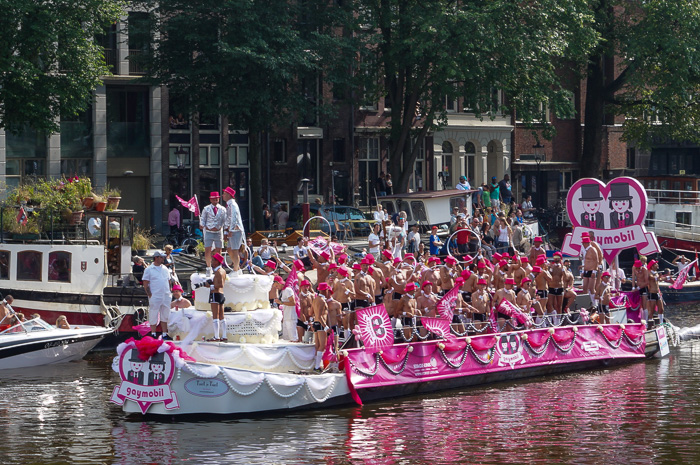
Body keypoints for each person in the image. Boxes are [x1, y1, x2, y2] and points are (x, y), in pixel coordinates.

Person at [142, 250, 173, 340]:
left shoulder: (165, 268)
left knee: (165, 313)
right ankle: (153, 333)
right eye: (161, 257)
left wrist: (169, 291)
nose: (163, 258)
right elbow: (146, 283)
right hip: (155, 294)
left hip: (165, 294)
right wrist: (150, 295)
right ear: (156, 258)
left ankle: (164, 333)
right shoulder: (149, 269)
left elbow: (168, 280)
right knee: (153, 313)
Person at [200, 191, 227, 275]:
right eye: (213, 199)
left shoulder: (222, 209)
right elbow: (203, 218)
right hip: (209, 231)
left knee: (219, 250)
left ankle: (218, 267)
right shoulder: (206, 208)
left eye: (216, 199)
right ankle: (208, 267)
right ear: (210, 200)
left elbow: (225, 220)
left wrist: (224, 229)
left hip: (218, 231)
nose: (215, 201)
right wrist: (203, 225)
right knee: (208, 249)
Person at [223, 186, 245, 273]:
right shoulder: (229, 205)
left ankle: (236, 270)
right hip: (232, 230)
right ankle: (237, 268)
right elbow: (228, 219)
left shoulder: (233, 205)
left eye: (224, 194)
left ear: (229, 195)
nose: (223, 195)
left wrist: (231, 230)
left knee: (234, 250)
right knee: (229, 249)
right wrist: (226, 231)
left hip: (236, 230)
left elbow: (234, 218)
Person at [208, 253, 228, 342]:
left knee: (215, 316)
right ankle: (224, 335)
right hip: (221, 294)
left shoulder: (218, 272)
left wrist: (211, 286)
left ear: (217, 262)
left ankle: (216, 336)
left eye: (213, 260)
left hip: (215, 294)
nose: (212, 262)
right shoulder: (222, 271)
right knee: (221, 316)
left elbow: (221, 285)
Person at [312, 283, 332, 370]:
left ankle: (317, 365)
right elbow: (320, 315)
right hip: (320, 324)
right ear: (325, 290)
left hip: (316, 323)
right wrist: (326, 327)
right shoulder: (322, 300)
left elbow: (311, 313)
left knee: (317, 345)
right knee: (322, 346)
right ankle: (317, 366)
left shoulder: (315, 299)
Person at [647, 260, 664, 325]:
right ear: (652, 266)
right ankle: (650, 323)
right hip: (652, 293)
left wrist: (666, 277)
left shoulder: (656, 273)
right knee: (652, 310)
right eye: (656, 264)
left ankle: (661, 323)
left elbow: (659, 279)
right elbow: (652, 278)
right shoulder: (649, 272)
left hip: (657, 292)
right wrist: (657, 277)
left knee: (661, 309)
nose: (657, 265)